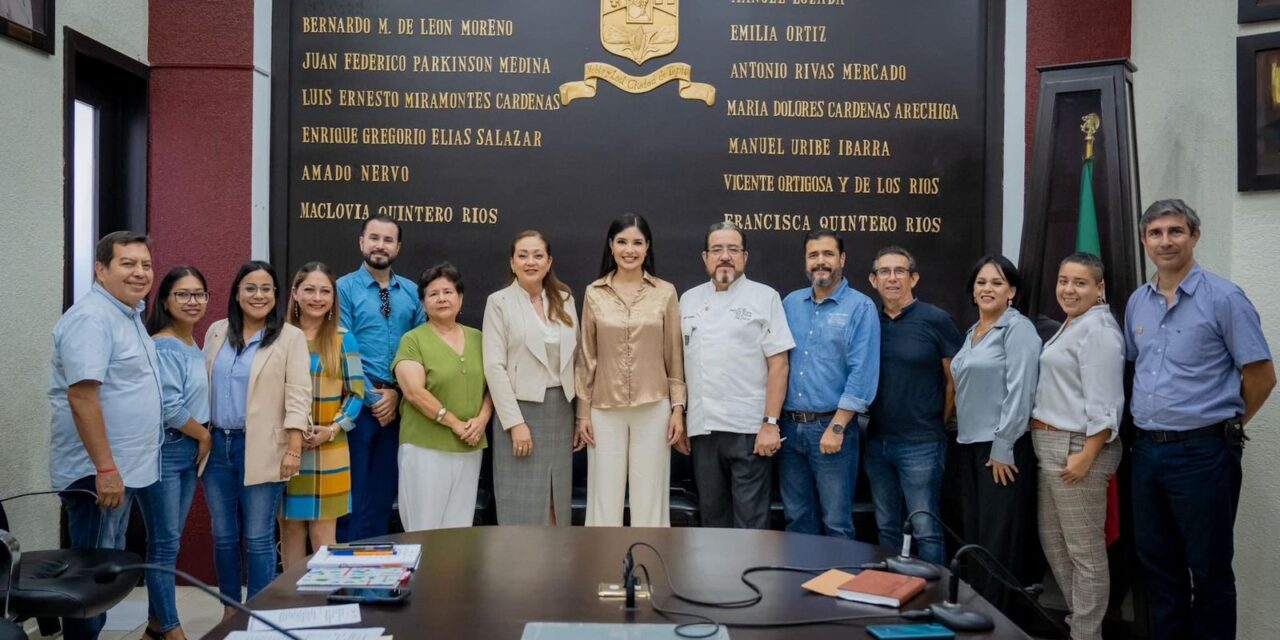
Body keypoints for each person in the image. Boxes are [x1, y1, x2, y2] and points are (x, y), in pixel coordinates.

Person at [1125, 199, 1274, 639]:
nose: (1165, 241)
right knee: (1159, 567)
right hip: (1147, 452)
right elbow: (1137, 367)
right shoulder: (1138, 301)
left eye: (1175, 231)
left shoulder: (1225, 298)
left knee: (1208, 573)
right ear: (1144, 240)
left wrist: (1227, 425)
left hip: (1203, 453)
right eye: (1155, 233)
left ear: (1195, 235)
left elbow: (1262, 377)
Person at [49, 231, 163, 640]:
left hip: (120, 471)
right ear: (101, 269)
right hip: (98, 476)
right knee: (91, 582)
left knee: (104, 577)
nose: (140, 272)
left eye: (146, 264)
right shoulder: (92, 319)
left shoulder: (127, 315)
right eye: (127, 263)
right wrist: (106, 468)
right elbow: (82, 397)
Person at [203, 261, 311, 616]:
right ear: (236, 293)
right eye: (250, 287)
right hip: (217, 446)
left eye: (266, 288)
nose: (258, 295)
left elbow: (298, 393)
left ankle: (260, 615)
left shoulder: (289, 337)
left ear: (277, 296)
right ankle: (230, 610)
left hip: (265, 447)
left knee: (259, 537)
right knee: (223, 536)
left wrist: (294, 448)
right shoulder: (217, 331)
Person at [1029, 252, 1124, 640]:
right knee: (1055, 544)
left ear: (1099, 288)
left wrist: (1087, 455)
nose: (1069, 289)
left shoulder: (1098, 330)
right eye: (1064, 280)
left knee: (1084, 554)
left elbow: (1106, 403)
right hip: (1051, 444)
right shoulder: (1075, 323)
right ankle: (1080, 625)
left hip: (1078, 447)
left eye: (1080, 282)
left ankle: (1086, 634)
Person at [575, 213, 686, 527]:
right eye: (622, 241)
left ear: (647, 247)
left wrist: (678, 409)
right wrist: (583, 412)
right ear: (611, 246)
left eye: (637, 242)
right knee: (602, 500)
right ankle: (602, 568)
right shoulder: (594, 292)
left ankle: (647, 571)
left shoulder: (665, 292)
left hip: (654, 407)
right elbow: (587, 356)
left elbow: (673, 355)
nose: (629, 249)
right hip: (603, 409)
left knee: (650, 500)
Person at [679, 222, 792, 528]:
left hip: (749, 429)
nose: (725, 256)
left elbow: (779, 364)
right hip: (702, 429)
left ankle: (748, 578)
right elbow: (677, 363)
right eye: (717, 250)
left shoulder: (765, 297)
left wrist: (770, 423)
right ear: (705, 257)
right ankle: (715, 579)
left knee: (751, 524)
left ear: (745, 257)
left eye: (733, 249)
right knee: (712, 521)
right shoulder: (687, 300)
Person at [950, 255, 1041, 615]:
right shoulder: (972, 332)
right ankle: (978, 613)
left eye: (997, 283)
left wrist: (1003, 446)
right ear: (973, 291)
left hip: (1001, 450)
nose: (988, 289)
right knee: (976, 538)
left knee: (997, 543)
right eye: (982, 282)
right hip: (969, 447)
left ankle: (995, 620)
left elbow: (1021, 390)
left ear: (1012, 292)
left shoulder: (1018, 330)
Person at [779, 229, 879, 539]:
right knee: (797, 519)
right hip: (789, 430)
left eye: (828, 254)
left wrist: (837, 427)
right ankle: (800, 587)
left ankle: (835, 588)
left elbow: (862, 373)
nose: (820, 262)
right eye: (813, 255)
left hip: (832, 429)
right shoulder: (790, 303)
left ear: (842, 260)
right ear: (806, 262)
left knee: (836, 522)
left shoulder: (861, 307)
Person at [864, 246, 962, 564]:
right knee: (887, 528)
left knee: (926, 528)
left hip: (922, 444)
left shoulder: (936, 320)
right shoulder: (868, 322)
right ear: (873, 280)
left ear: (913, 278)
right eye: (884, 272)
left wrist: (940, 420)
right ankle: (889, 593)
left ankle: (935, 602)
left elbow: (955, 380)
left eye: (900, 271)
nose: (892, 278)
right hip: (876, 443)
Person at [336, 214, 426, 540]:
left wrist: (398, 395)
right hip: (356, 406)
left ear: (398, 247)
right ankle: (348, 578)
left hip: (399, 408)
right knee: (352, 494)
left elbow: (419, 352)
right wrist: (374, 397)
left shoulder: (414, 293)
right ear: (362, 242)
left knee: (383, 494)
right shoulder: (342, 289)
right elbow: (344, 346)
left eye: (388, 240)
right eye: (374, 238)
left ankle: (376, 575)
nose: (380, 245)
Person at [483, 231, 578, 526]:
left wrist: (579, 415)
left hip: (560, 410)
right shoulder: (498, 302)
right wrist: (515, 423)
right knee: (520, 503)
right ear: (512, 263)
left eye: (538, 255)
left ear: (549, 262)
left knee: (556, 500)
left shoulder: (564, 298)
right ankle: (519, 571)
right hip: (519, 411)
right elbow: (494, 367)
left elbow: (576, 359)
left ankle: (554, 570)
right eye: (522, 255)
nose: (530, 261)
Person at [140, 266, 213, 640]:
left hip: (185, 450)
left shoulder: (190, 342)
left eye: (199, 294)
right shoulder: (164, 345)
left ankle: (155, 625)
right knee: (165, 544)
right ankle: (170, 628)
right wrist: (203, 435)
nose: (193, 301)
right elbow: (169, 406)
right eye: (183, 294)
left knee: (169, 540)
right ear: (165, 300)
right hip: (169, 449)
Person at [393, 263, 494, 530]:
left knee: (458, 530)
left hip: (469, 445)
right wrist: (454, 423)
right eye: (433, 294)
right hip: (425, 447)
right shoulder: (412, 340)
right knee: (424, 529)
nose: (441, 299)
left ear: (460, 299)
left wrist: (482, 420)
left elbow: (494, 386)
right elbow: (414, 392)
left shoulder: (479, 338)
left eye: (448, 292)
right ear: (423, 303)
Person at [280, 263, 366, 569]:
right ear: (295, 293)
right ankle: (289, 607)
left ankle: (328, 607)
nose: (317, 297)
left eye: (325, 291)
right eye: (310, 289)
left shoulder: (344, 339)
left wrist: (331, 429)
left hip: (329, 449)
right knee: (289, 530)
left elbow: (356, 394)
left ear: (333, 298)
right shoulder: (279, 337)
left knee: (324, 536)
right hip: (286, 449)